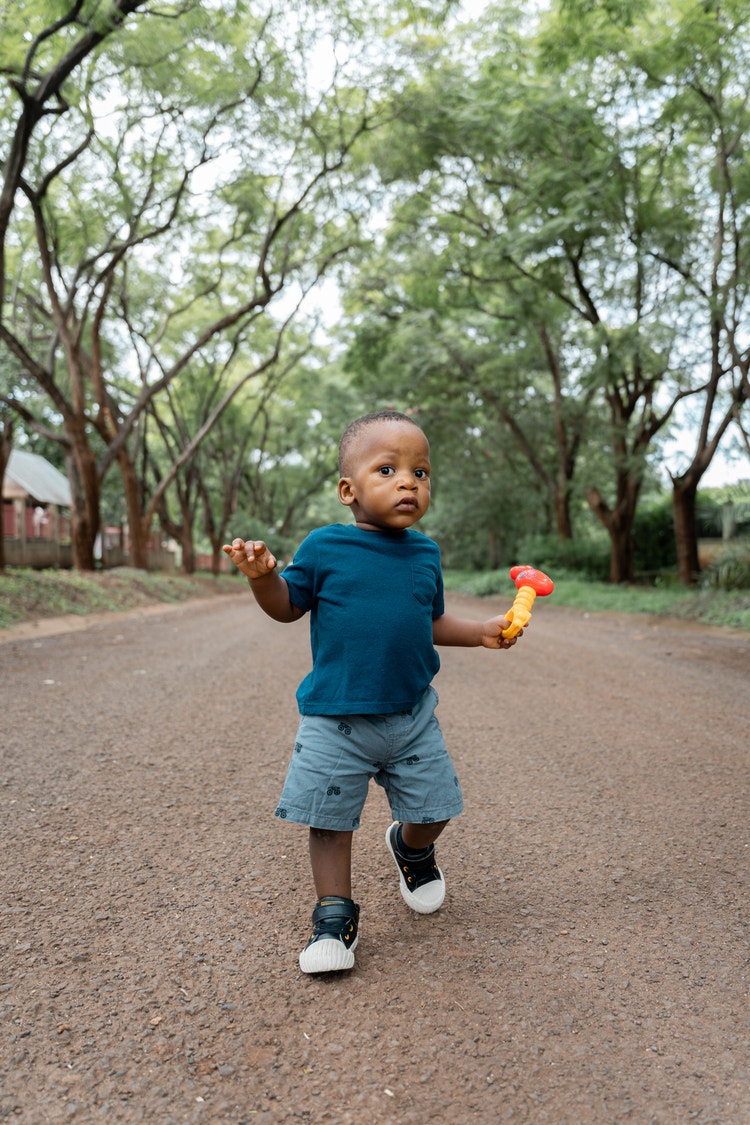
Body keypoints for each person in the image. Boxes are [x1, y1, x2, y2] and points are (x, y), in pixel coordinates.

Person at [222, 410, 523, 974]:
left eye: (421, 472)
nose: (409, 481)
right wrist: (264, 578)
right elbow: (288, 608)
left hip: (411, 715)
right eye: (387, 468)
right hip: (336, 719)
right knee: (330, 820)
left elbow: (427, 622)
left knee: (437, 808)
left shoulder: (425, 553)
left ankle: (411, 847)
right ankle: (333, 915)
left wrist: (480, 632)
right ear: (348, 489)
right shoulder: (325, 546)